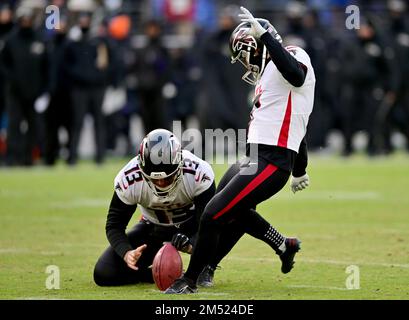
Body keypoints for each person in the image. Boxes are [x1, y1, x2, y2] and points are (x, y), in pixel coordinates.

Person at [165, 7, 315, 294]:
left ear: (257, 44)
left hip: (272, 160)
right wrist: (301, 169)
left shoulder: (293, 55)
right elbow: (296, 122)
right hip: (255, 156)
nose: (245, 63)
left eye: (245, 53)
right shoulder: (270, 72)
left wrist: (268, 38)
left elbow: (295, 76)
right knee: (227, 203)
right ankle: (283, 245)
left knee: (213, 213)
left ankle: (190, 279)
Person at [93, 129, 245, 286]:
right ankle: (158, 275)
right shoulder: (129, 178)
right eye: (155, 179)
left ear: (179, 164)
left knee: (238, 213)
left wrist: (193, 242)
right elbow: (114, 225)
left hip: (192, 224)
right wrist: (126, 252)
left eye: (167, 178)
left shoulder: (198, 172)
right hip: (154, 228)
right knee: (104, 274)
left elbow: (208, 222)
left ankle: (207, 267)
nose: (161, 184)